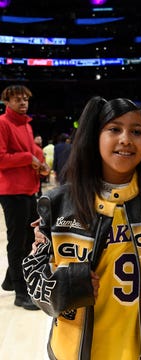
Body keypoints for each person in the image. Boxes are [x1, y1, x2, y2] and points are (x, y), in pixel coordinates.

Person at [22, 97, 141, 359]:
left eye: (137, 131)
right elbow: (33, 274)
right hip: (73, 350)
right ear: (95, 136)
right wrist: (59, 288)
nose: (126, 139)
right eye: (114, 129)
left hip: (140, 349)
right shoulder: (58, 203)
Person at [0, 84, 49, 310]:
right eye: (17, 99)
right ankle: (21, 293)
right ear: (6, 102)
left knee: (30, 239)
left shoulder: (26, 125)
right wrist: (28, 157)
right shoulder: (2, 123)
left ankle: (11, 279)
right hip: (12, 192)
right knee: (17, 243)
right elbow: (2, 158)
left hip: (30, 188)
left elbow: (35, 153)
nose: (23, 103)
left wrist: (42, 164)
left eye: (25, 99)